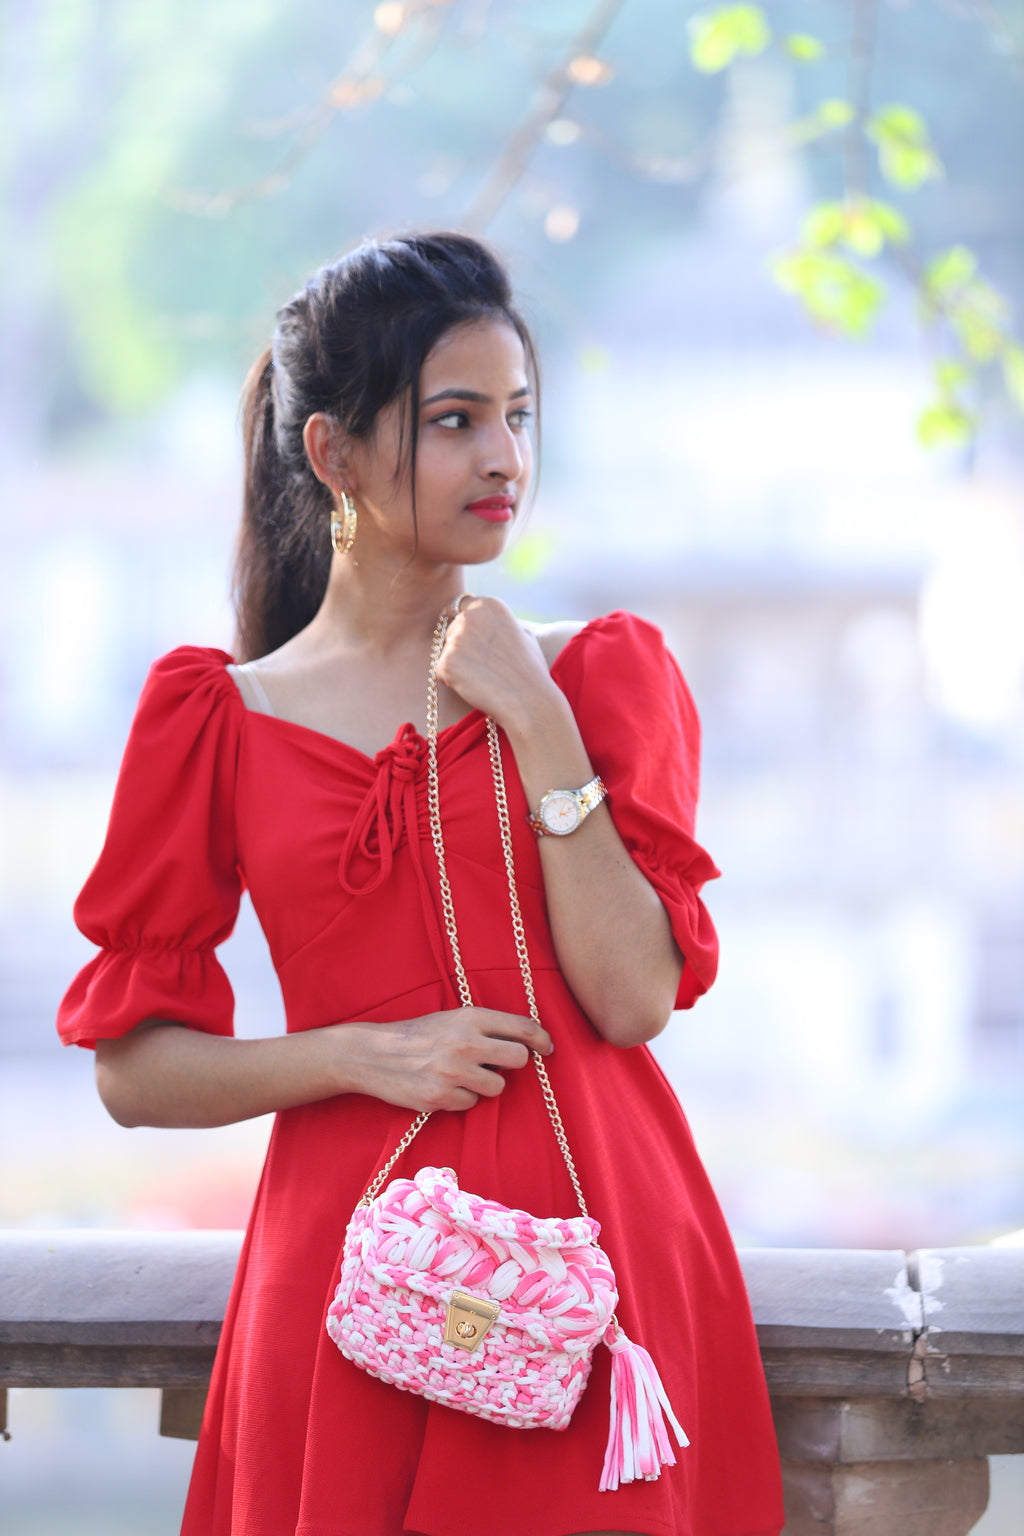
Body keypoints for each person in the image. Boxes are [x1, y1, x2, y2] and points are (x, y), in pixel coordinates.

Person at [58, 232, 784, 1536]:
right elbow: (134, 1071)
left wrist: (539, 724)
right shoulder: (215, 719)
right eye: (456, 422)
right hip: (345, 1274)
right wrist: (359, 1055)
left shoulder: (601, 673)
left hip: (591, 1265)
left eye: (519, 418)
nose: (505, 458)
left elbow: (633, 1001)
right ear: (332, 455)